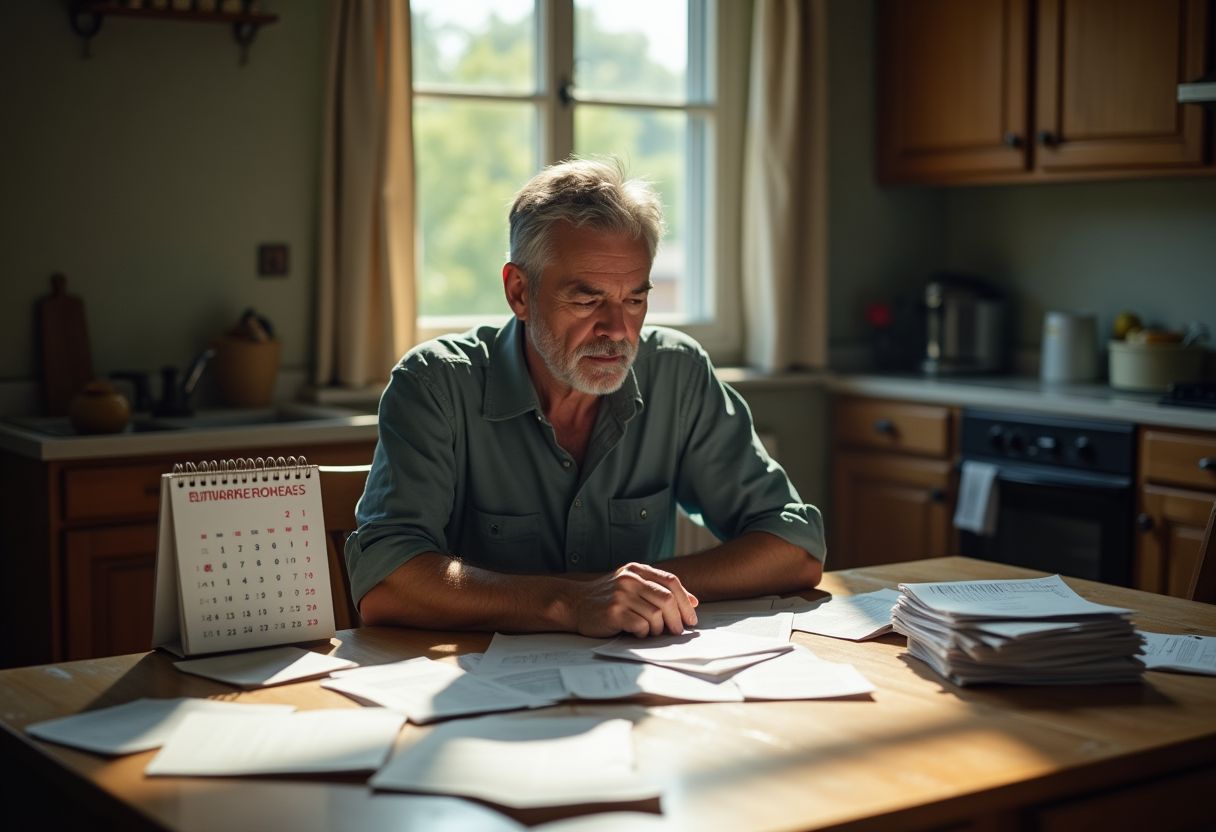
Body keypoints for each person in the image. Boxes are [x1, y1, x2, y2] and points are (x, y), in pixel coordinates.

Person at [346, 158, 825, 638]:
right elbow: (387, 580)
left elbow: (795, 547)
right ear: (519, 292)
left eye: (634, 299)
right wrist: (569, 603)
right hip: (479, 690)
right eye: (586, 300)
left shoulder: (677, 371)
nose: (618, 331)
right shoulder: (435, 384)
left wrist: (643, 592)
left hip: (638, 684)